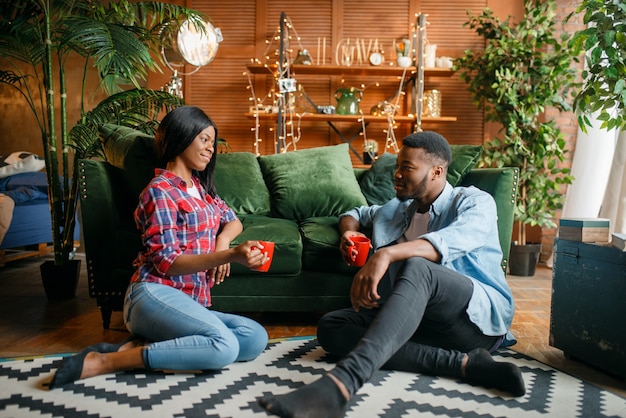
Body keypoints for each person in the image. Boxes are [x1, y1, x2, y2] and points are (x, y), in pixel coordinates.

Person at [258, 131, 525, 417]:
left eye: (406, 168)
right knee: (332, 327)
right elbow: (355, 213)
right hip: (420, 324)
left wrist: (386, 254)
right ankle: (464, 365)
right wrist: (349, 233)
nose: (396, 174)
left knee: (420, 266)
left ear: (436, 171)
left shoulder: (474, 202)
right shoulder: (396, 209)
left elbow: (451, 242)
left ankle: (340, 385)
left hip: (473, 322)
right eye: (397, 166)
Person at [50, 106, 269, 388]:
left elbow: (233, 221)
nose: (211, 149)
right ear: (181, 137)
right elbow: (167, 262)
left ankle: (139, 345)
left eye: (212, 142)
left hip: (189, 305)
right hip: (152, 295)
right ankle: (105, 360)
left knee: (254, 338)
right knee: (224, 347)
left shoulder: (200, 190)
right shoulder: (160, 191)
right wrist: (228, 256)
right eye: (204, 139)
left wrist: (224, 240)